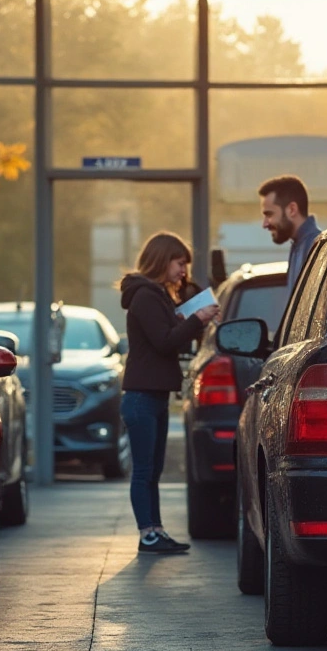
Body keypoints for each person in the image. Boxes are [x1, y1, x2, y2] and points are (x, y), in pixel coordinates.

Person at [118, 232, 219, 554]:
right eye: (179, 263)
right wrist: (195, 319)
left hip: (153, 395)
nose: (183, 270)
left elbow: (169, 334)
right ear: (162, 260)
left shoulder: (158, 295)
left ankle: (155, 529)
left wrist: (191, 315)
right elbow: (164, 340)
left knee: (153, 469)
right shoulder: (146, 296)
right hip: (141, 396)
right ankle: (147, 532)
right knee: (145, 470)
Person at [259, 175, 321, 292]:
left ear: (292, 209)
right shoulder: (299, 247)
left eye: (269, 214)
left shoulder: (315, 249)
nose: (265, 224)